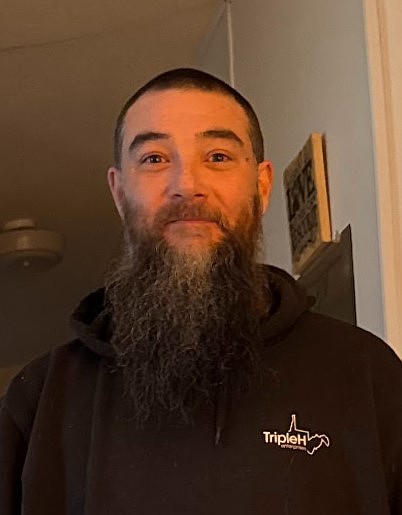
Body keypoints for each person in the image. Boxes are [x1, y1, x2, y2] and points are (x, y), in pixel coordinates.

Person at [1, 68, 402, 515]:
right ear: (119, 191)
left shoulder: (366, 374)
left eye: (217, 156)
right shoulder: (37, 403)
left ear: (261, 185)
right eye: (154, 158)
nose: (187, 185)